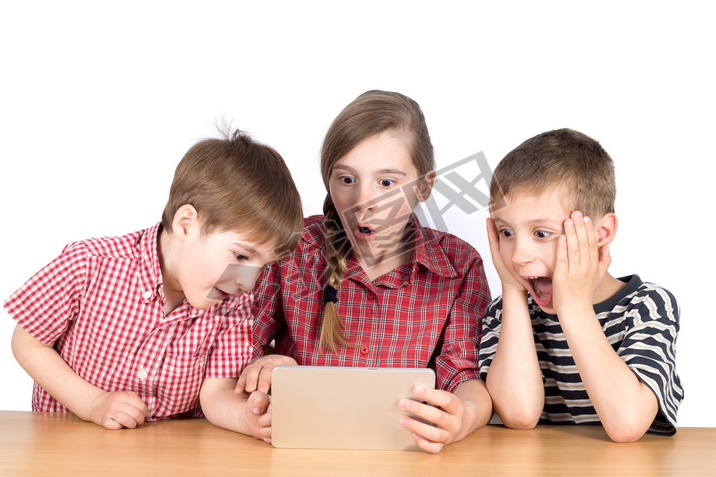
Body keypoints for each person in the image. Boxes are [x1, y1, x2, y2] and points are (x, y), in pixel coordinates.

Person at [235, 90, 494, 454]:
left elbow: (464, 375)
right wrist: (260, 367)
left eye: (386, 182)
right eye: (346, 179)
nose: (362, 203)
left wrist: (464, 416)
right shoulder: (293, 248)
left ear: (424, 186)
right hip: (300, 451)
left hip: (404, 455)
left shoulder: (459, 264)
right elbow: (232, 349)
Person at [5, 130, 303, 436]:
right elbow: (28, 342)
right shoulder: (90, 264)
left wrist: (247, 419)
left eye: (261, 266)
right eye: (241, 256)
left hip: (166, 454)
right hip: (68, 445)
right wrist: (93, 403)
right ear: (186, 225)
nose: (247, 281)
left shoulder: (234, 304)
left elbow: (216, 392)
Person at [478, 128, 684, 442]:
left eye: (541, 233)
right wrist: (511, 289)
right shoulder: (505, 312)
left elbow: (626, 424)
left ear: (600, 233)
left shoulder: (648, 306)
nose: (519, 256)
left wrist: (573, 307)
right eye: (506, 233)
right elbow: (519, 414)